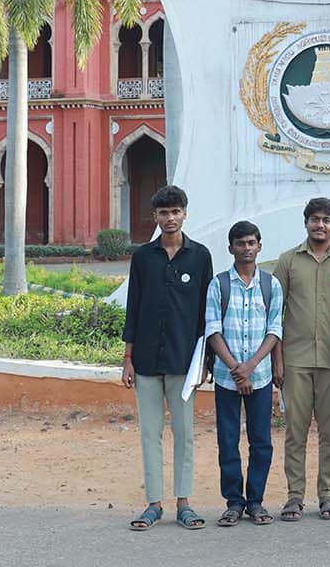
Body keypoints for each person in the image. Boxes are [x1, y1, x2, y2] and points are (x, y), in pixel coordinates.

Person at [121, 184, 214, 531]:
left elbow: (207, 315)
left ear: (185, 214)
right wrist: (128, 358)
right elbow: (133, 308)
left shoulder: (200, 256)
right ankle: (154, 504)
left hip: (184, 362)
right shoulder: (143, 257)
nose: (170, 218)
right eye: (164, 213)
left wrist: (205, 362)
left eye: (176, 212)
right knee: (150, 433)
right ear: (155, 217)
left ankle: (184, 503)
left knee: (184, 432)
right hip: (146, 361)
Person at [271, 197, 330, 523]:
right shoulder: (288, 261)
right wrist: (278, 361)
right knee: (295, 431)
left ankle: (327, 494)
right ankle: (295, 496)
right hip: (295, 359)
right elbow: (274, 314)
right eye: (315, 219)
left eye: (326, 220)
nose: (320, 225)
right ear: (306, 222)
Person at [205, 220, 283, 527]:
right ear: (231, 248)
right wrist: (236, 369)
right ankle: (234, 502)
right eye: (240, 243)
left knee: (261, 440)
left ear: (260, 246)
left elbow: (275, 329)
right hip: (227, 377)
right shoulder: (219, 284)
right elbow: (213, 330)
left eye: (251, 243)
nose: (246, 248)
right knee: (228, 440)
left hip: (260, 375)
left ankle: (256, 501)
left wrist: (250, 367)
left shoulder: (271, 285)